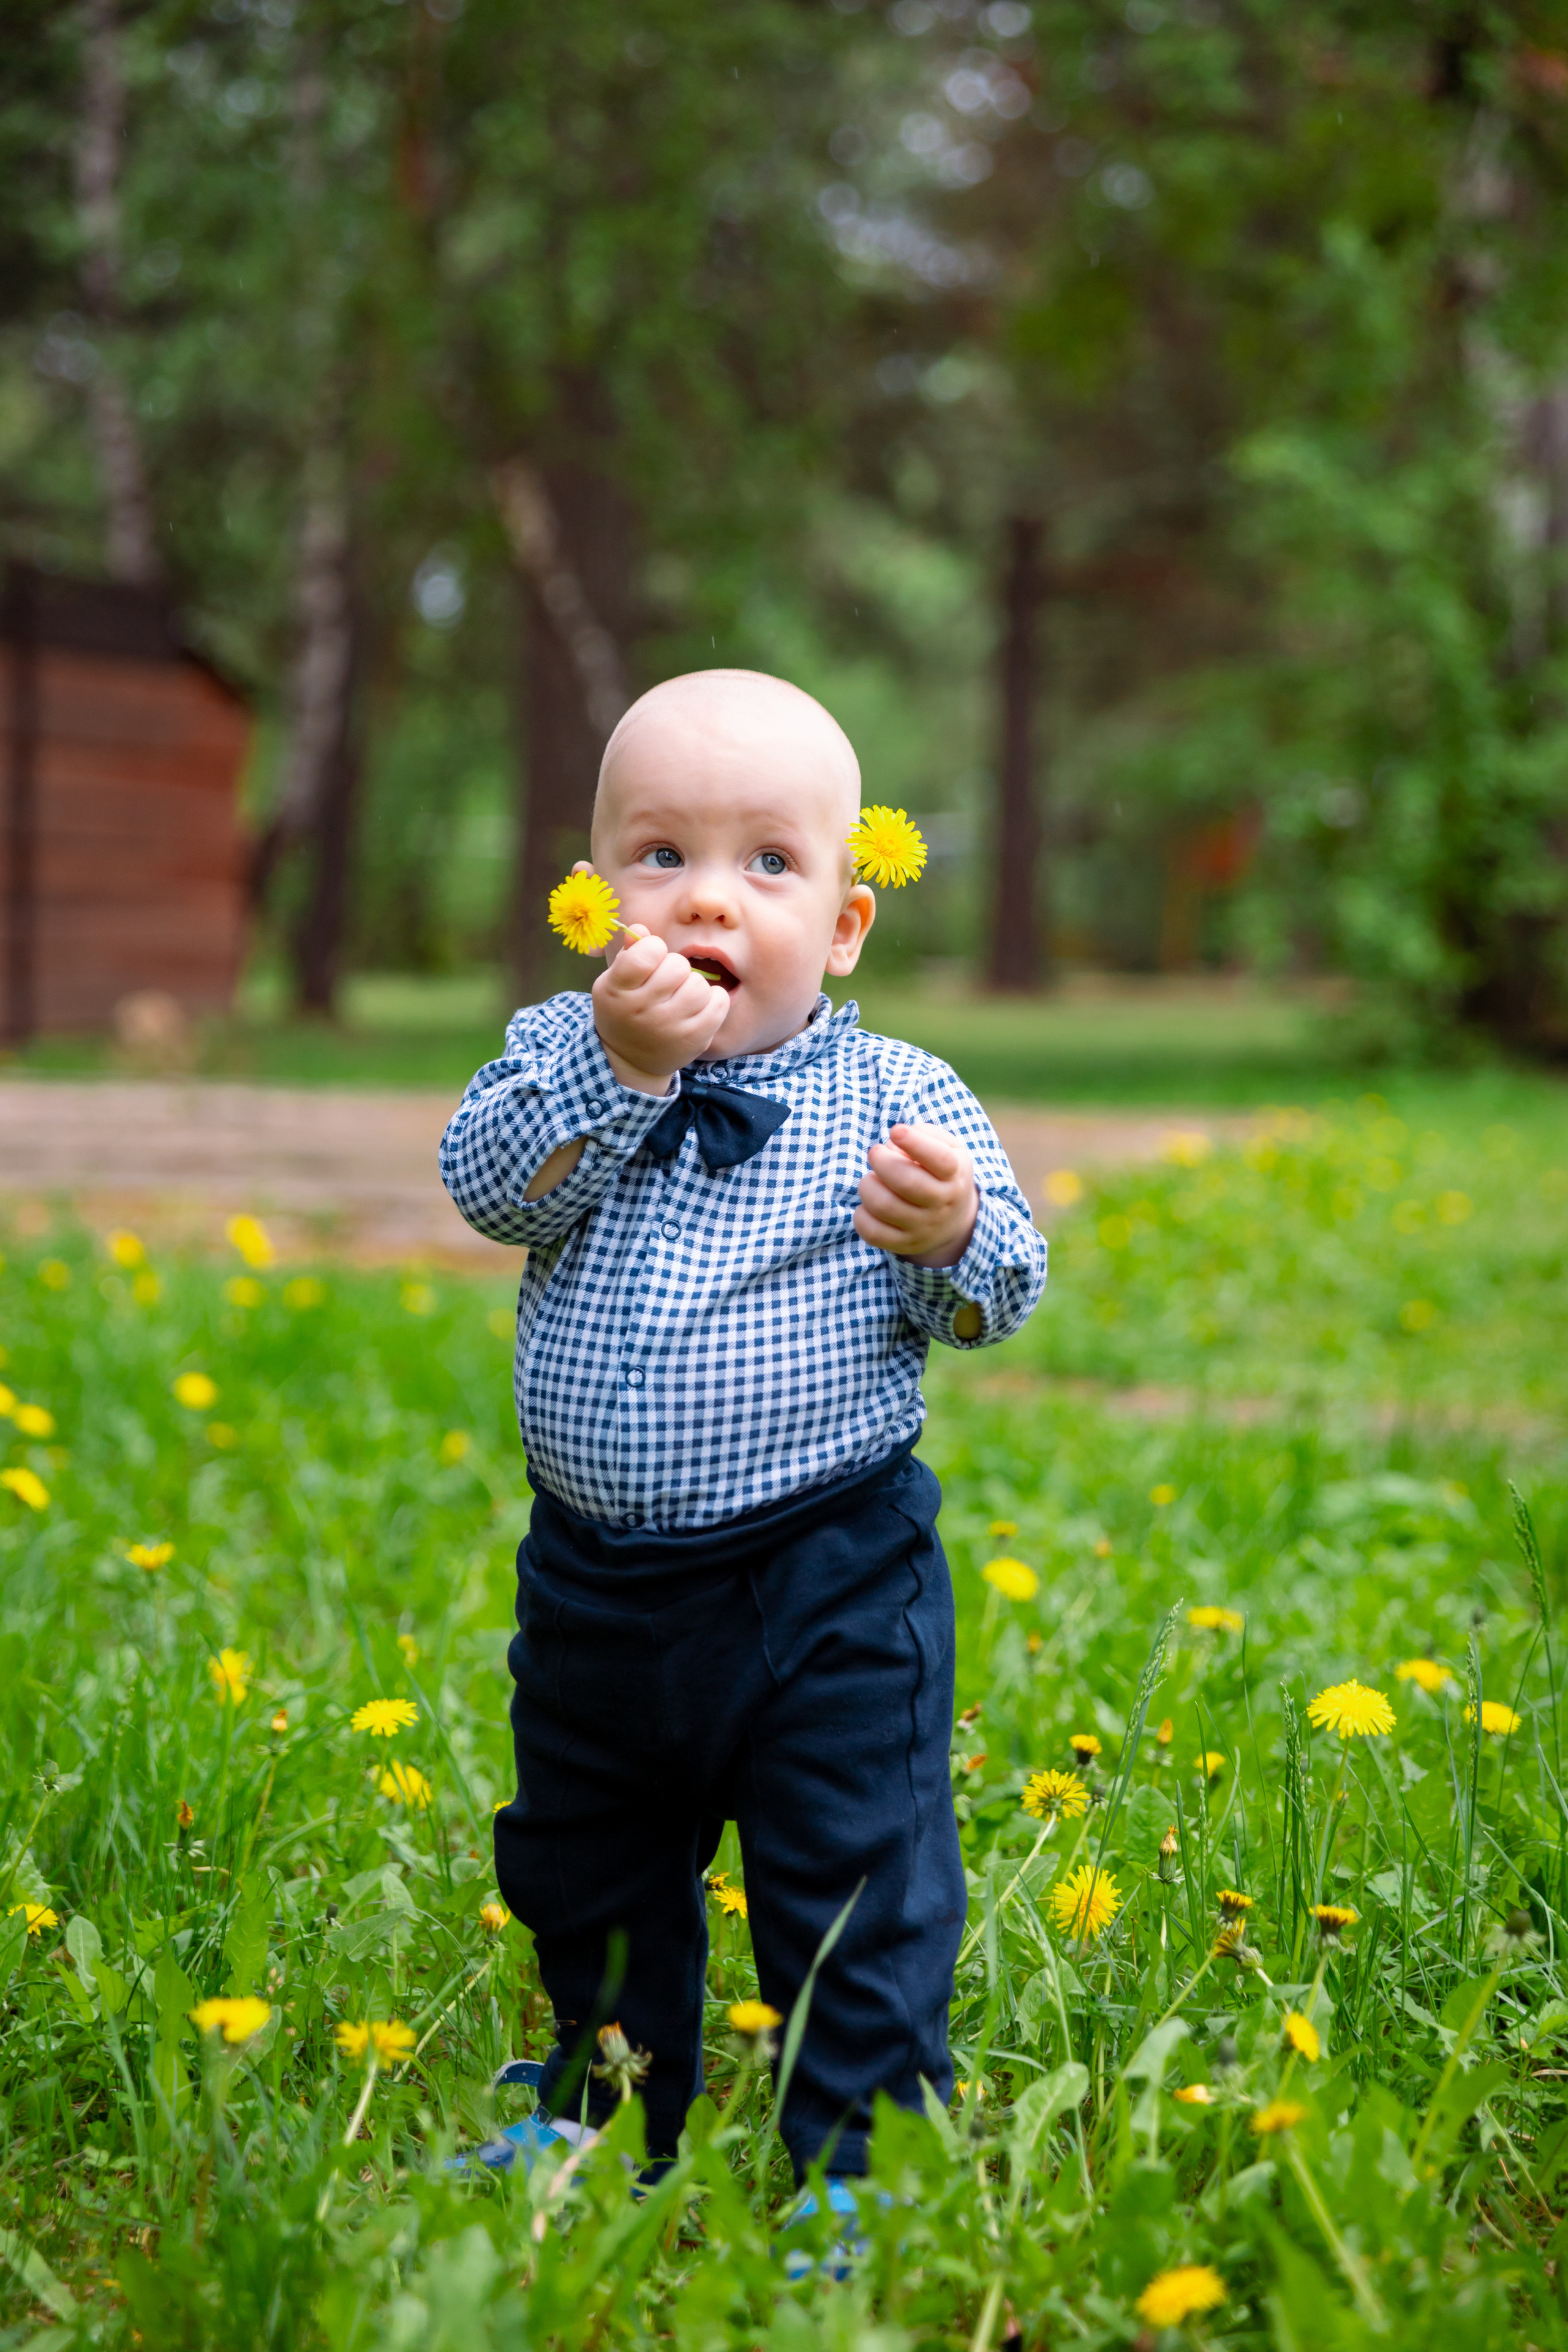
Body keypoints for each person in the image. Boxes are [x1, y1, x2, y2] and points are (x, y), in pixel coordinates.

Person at [440, 669, 1048, 2186]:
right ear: (593, 899)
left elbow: (1003, 1294)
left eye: (768, 861)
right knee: (584, 1856)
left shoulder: (895, 1093)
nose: (708, 896)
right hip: (596, 1582)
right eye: (661, 854)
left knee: (853, 1868)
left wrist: (950, 1233)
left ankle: (861, 2158)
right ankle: (605, 2112)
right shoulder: (559, 1052)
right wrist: (618, 1068)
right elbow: (490, 1189)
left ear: (842, 923)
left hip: (823, 1576)